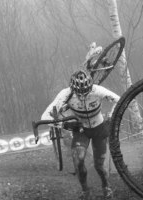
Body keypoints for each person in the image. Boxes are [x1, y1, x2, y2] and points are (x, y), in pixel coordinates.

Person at [41, 69, 120, 200]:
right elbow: (45, 116)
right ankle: (85, 191)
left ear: (90, 86)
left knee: (99, 165)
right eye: (79, 93)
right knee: (78, 161)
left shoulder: (97, 90)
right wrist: (64, 125)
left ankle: (106, 186)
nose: (83, 95)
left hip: (99, 128)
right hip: (81, 130)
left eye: (86, 92)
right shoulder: (65, 94)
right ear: (72, 88)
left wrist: (111, 116)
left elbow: (120, 100)